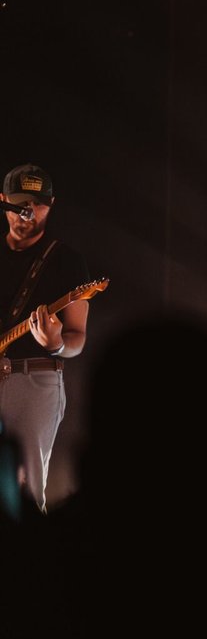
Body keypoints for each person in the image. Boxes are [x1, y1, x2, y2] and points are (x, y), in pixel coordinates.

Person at [0, 164, 91, 511]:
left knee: (24, 492)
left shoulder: (68, 262)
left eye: (38, 205)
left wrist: (56, 344)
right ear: (4, 200)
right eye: (20, 204)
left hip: (34, 380)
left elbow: (77, 337)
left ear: (51, 204)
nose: (28, 213)